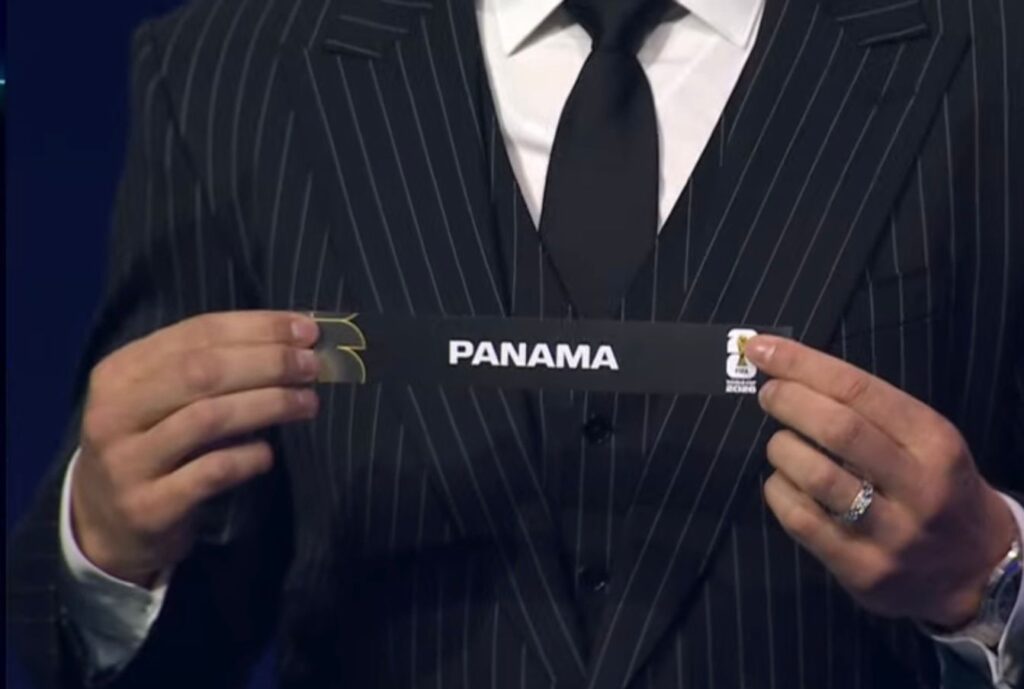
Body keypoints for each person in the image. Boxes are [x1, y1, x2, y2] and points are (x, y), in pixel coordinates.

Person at [8, 0, 1023, 687]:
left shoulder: (996, 55)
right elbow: (167, 640)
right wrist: (106, 551)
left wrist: (992, 581)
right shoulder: (228, 70)